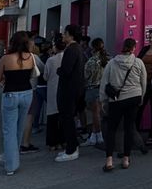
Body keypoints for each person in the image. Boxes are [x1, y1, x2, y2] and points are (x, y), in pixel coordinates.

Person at [100, 38, 147, 171]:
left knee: (112, 129)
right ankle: (126, 158)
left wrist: (103, 100)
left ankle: (109, 160)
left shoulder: (112, 63)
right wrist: (141, 98)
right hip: (134, 97)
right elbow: (143, 82)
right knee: (129, 128)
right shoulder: (138, 62)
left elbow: (104, 83)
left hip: (116, 100)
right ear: (133, 48)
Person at [0, 31, 36, 176]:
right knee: (19, 127)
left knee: (9, 129)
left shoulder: (6, 58)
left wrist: (5, 78)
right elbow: (31, 75)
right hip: (27, 93)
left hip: (11, 94)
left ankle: (11, 164)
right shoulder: (30, 57)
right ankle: (12, 156)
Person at [55, 25, 85, 162]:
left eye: (65, 33)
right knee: (68, 119)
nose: (63, 36)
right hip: (73, 89)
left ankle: (71, 149)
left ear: (71, 35)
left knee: (67, 119)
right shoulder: (77, 48)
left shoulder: (72, 50)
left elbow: (66, 70)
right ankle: (72, 146)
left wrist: (59, 70)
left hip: (69, 90)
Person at [19, 37, 47, 154]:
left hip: (15, 91)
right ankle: (25, 143)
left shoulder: (11, 57)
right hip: (31, 90)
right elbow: (44, 70)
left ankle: (15, 142)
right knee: (29, 118)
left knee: (17, 118)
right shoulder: (33, 57)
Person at [82, 38, 108, 147]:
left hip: (92, 88)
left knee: (95, 113)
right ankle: (94, 136)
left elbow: (86, 76)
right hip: (103, 88)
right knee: (97, 113)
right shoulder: (107, 59)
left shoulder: (91, 61)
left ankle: (98, 135)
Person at [44, 37, 65, 150]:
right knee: (63, 117)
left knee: (52, 118)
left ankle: (52, 143)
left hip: (52, 89)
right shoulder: (67, 58)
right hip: (64, 90)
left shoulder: (50, 60)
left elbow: (45, 76)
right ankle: (62, 141)